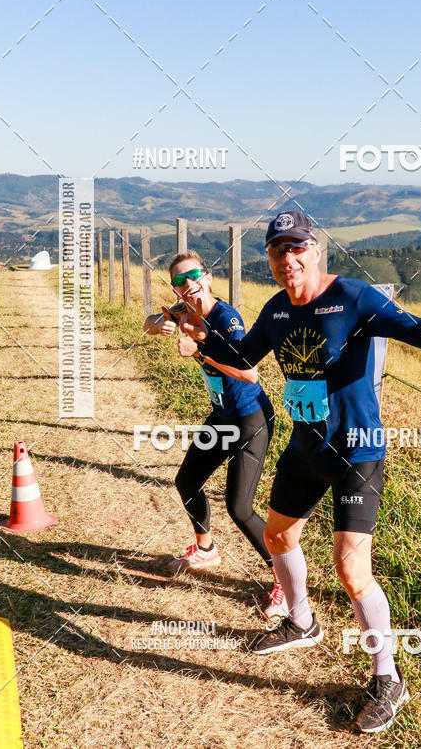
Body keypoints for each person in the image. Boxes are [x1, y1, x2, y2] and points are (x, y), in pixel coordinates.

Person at [177, 211, 421, 734]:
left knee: (351, 569)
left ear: (316, 249)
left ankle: (388, 678)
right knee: (278, 534)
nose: (287, 259)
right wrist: (199, 340)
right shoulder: (277, 310)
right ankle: (301, 621)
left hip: (357, 452)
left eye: (296, 248)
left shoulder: (355, 297)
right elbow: (243, 354)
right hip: (305, 449)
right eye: (278, 251)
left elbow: (417, 330)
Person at [143, 250, 288, 620]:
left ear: (206, 277)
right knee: (187, 479)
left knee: (239, 507)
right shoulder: (181, 310)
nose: (188, 284)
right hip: (223, 417)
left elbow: (250, 373)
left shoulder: (227, 318)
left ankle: (285, 582)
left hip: (251, 419)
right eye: (179, 280)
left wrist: (201, 350)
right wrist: (155, 325)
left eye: (193, 276)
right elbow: (150, 321)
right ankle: (206, 549)